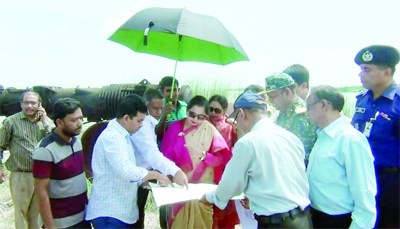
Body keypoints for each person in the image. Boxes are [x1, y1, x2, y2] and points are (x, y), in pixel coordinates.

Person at [201, 90, 312, 229]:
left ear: (242, 114)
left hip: (277, 223)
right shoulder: (291, 137)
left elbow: (230, 185)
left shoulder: (248, 142)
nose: (237, 125)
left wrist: (209, 197)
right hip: (303, 219)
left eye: (236, 120)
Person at [85, 94, 171, 228]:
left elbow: (124, 173)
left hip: (122, 212)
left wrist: (144, 182)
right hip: (110, 214)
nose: (142, 125)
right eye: (139, 121)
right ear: (126, 118)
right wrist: (155, 174)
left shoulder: (124, 136)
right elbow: (126, 171)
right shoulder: (112, 137)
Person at [306, 86, 377, 228]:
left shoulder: (350, 139)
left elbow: (364, 193)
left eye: (309, 107)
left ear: (324, 105)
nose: (306, 113)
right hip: (316, 216)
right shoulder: (323, 135)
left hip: (337, 221)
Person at [160, 95, 233, 229]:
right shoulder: (174, 129)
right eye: (192, 114)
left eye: (201, 117)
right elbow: (163, 159)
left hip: (202, 193)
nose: (195, 119)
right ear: (187, 111)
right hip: (178, 190)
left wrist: (204, 155)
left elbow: (222, 159)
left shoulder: (210, 130)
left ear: (206, 117)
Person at [351, 45, 400, 228]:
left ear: (387, 72)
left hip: (390, 182)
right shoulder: (362, 99)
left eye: (367, 70)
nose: (360, 74)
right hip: (361, 177)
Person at [130, 88, 189, 229]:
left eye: (161, 108)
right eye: (154, 108)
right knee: (135, 216)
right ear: (145, 107)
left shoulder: (150, 123)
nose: (158, 112)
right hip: (135, 178)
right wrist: (175, 171)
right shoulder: (142, 126)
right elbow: (152, 154)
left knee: (139, 214)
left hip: (144, 176)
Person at [33, 98, 91, 229]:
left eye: (81, 118)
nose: (79, 123)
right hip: (61, 223)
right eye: (74, 120)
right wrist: (49, 225)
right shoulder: (45, 150)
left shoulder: (76, 141)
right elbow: (41, 191)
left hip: (83, 217)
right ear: (59, 122)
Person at [0, 91, 54, 229]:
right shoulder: (11, 122)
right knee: (21, 214)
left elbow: (56, 138)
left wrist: (45, 119)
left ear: (39, 104)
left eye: (33, 103)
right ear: (21, 104)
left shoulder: (44, 122)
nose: (29, 106)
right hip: (21, 175)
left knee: (37, 215)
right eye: (26, 102)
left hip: (42, 176)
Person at [265, 72, 317, 163]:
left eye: (273, 96)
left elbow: (303, 153)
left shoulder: (302, 115)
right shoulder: (283, 112)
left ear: (287, 92)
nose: (270, 101)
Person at [207, 94, 240, 229]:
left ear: (225, 110)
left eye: (217, 110)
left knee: (224, 211)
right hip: (207, 171)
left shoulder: (229, 126)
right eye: (211, 109)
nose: (213, 113)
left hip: (224, 172)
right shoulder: (204, 123)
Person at [155, 76, 188, 142]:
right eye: (168, 91)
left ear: (178, 90)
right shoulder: (158, 108)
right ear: (162, 91)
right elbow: (158, 135)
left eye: (174, 90)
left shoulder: (185, 106)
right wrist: (163, 117)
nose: (172, 94)